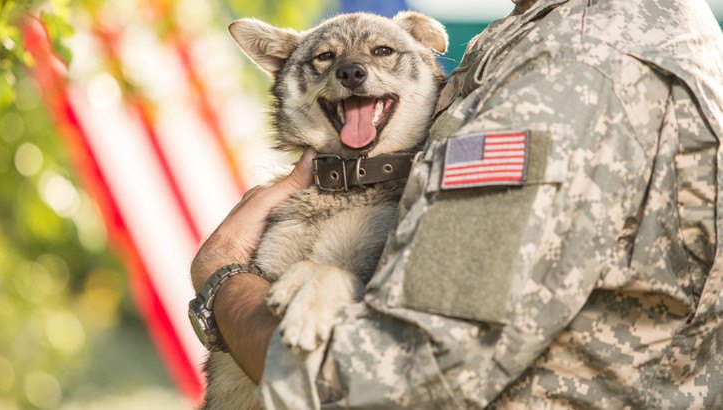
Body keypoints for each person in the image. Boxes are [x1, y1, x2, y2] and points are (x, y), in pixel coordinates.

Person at [190, 0, 723, 407]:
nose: (351, 69)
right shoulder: (550, 30)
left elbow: (395, 379)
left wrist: (220, 278)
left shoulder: (575, 64)